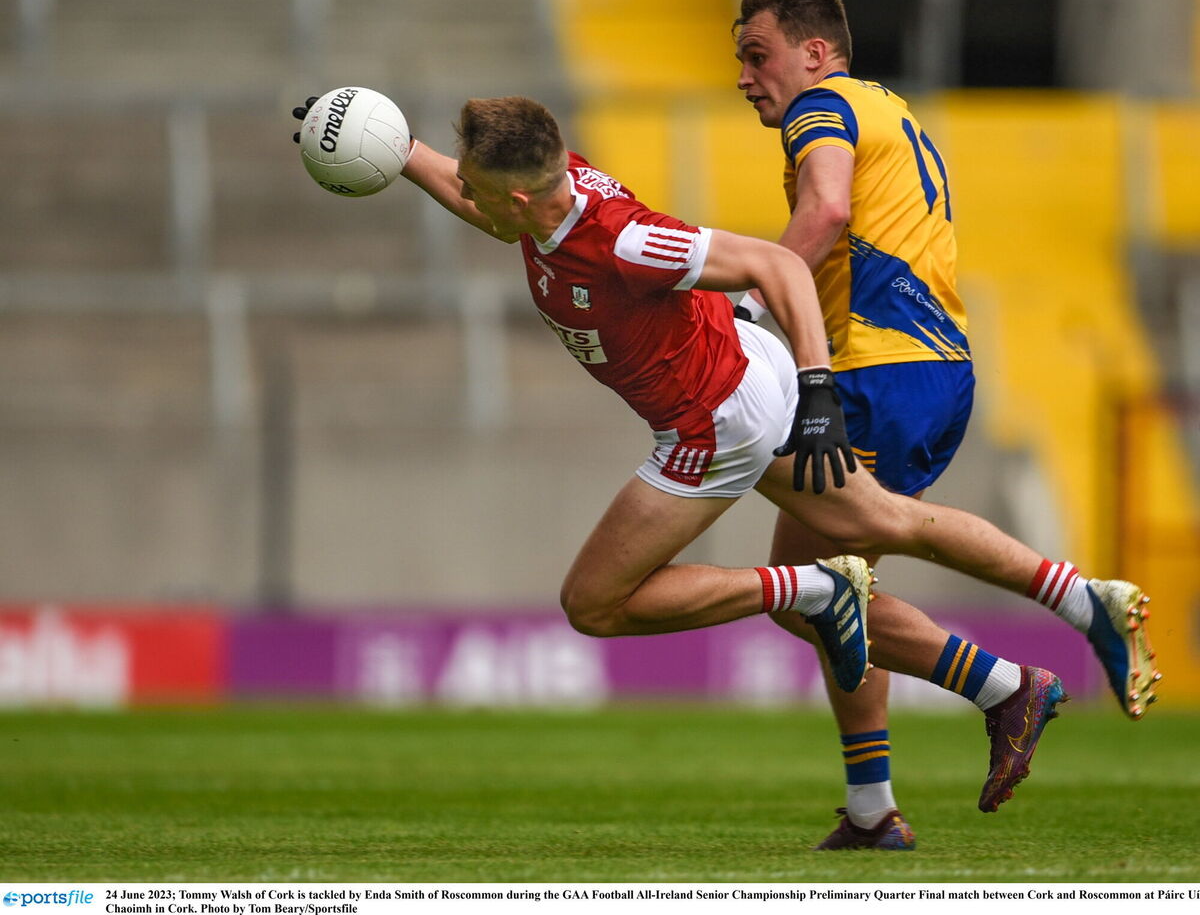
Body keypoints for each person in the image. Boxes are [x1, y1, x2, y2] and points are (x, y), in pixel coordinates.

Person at [292, 93, 1099, 829]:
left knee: (597, 601)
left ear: (518, 200)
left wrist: (819, 388)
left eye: (474, 186)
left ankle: (818, 590)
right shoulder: (541, 198)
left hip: (719, 419)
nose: (460, 192)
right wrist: (388, 146)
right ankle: (998, 694)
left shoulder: (624, 243)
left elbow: (776, 264)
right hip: (743, 368)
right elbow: (476, 193)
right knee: (885, 519)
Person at [729, 0, 1160, 849]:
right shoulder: (887, 108)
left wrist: (749, 298)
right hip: (930, 367)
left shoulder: (823, 106)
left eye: (756, 54)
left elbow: (827, 210)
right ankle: (872, 808)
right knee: (830, 593)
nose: (744, 76)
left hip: (877, 371)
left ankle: (1033, 657)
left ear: (814, 52)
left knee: (816, 590)